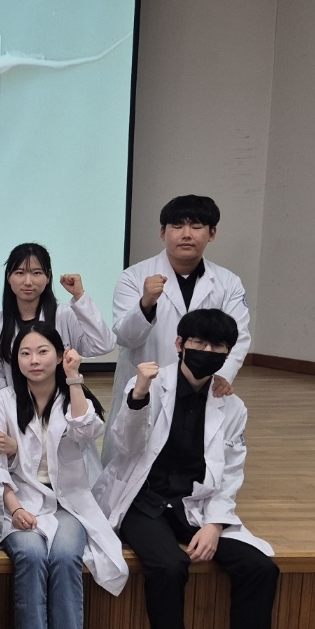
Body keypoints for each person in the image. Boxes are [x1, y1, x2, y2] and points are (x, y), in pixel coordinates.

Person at [95, 308, 284, 629]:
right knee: (168, 567)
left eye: (218, 346)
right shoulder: (149, 382)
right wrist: (139, 395)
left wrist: (215, 524)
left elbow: (231, 472)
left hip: (195, 506)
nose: (207, 351)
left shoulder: (231, 405)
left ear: (227, 353)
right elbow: (123, 445)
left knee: (260, 568)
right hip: (141, 500)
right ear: (180, 344)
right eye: (198, 342)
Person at [0, 323, 127, 629]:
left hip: (69, 503)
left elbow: (88, 430)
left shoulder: (71, 396)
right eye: (25, 353)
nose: (34, 360)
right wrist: (14, 507)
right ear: (16, 360)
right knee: (31, 554)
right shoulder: (2, 400)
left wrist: (74, 379)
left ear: (60, 355)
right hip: (20, 502)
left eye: (43, 351)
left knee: (64, 557)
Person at [108, 195, 251, 459]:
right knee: (133, 458)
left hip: (201, 385)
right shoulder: (134, 277)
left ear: (212, 233)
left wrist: (222, 376)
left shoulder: (228, 283)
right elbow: (125, 337)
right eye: (177, 226)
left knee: (193, 459)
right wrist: (146, 303)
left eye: (196, 226)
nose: (186, 234)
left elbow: (238, 336)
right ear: (163, 232)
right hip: (146, 387)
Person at [0, 243, 116, 393]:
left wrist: (79, 295)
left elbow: (103, 345)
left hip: (62, 402)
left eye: (36, 273)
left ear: (48, 276)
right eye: (20, 273)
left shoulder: (64, 315)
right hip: (14, 404)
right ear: (9, 277)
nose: (28, 281)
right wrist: (10, 404)